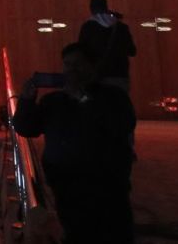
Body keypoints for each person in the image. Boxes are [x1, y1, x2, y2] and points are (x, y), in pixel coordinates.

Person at [13, 43, 135, 243]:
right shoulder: (54, 101)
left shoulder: (113, 96)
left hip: (107, 186)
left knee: (114, 233)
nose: (71, 71)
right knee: (75, 232)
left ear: (92, 67)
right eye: (67, 65)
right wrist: (26, 100)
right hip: (66, 185)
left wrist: (83, 98)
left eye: (77, 65)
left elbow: (122, 124)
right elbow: (26, 128)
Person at [78, 0, 137, 91]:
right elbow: (132, 51)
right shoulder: (121, 27)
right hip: (120, 75)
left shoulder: (88, 27)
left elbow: (81, 52)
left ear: (91, 9)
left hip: (97, 76)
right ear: (106, 8)